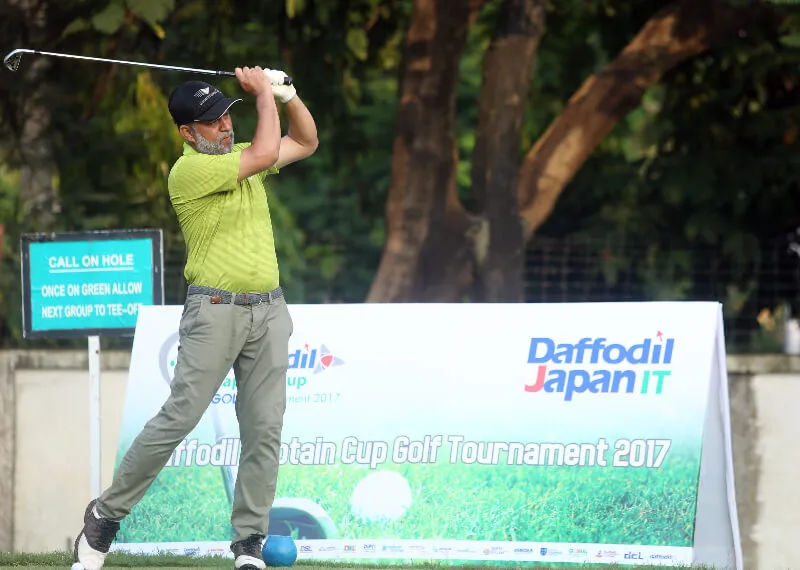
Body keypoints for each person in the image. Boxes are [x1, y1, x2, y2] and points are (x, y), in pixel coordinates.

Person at [72, 66, 318, 570]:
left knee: (264, 429)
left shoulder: (242, 157)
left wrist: (288, 95)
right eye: (212, 121)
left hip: (269, 311)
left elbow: (306, 141)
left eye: (227, 114)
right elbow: (266, 152)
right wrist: (262, 94)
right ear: (187, 132)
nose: (225, 125)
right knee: (179, 417)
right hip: (215, 312)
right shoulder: (188, 173)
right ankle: (104, 516)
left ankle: (249, 543)